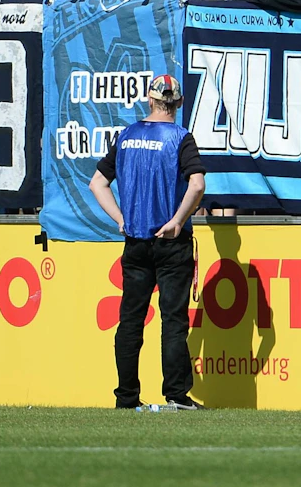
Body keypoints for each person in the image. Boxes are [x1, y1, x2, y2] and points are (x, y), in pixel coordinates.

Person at [88, 71, 205, 407]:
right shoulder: (181, 138)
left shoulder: (126, 136)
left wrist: (122, 219)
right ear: (179, 103)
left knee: (130, 321)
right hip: (171, 242)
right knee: (173, 321)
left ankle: (127, 398)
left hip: (136, 241)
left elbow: (97, 183)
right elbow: (196, 184)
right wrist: (177, 221)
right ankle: (176, 397)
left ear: (149, 100)